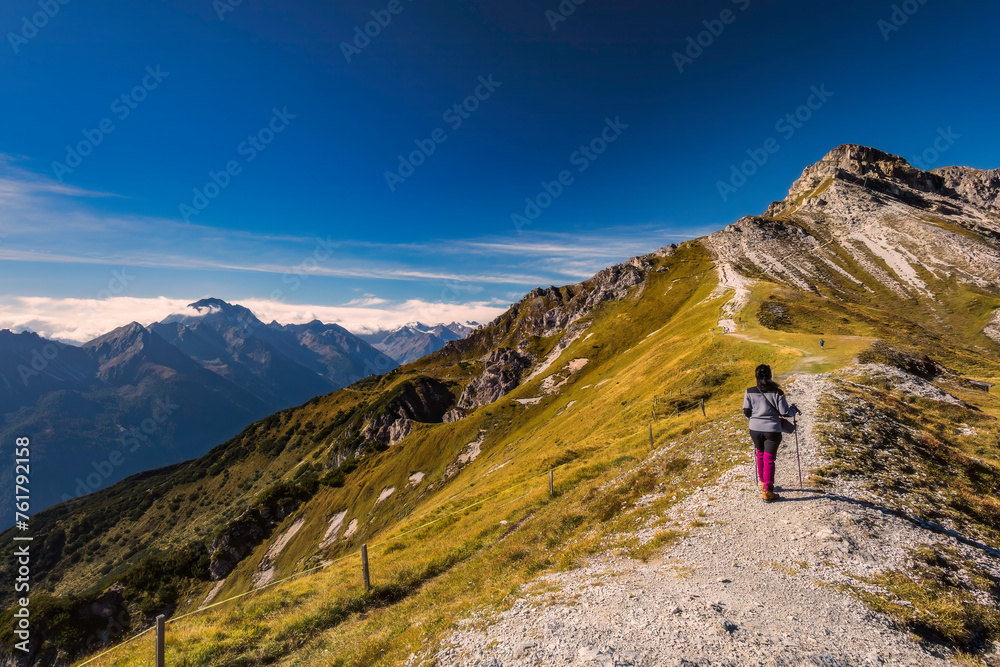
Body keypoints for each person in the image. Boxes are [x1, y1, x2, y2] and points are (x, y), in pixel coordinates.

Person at [742, 364, 798, 502]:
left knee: (760, 454)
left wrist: (755, 418)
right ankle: (767, 490)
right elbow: (785, 412)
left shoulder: (749, 391)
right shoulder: (777, 392)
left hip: (754, 429)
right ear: (770, 376)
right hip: (772, 429)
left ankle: (763, 483)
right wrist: (794, 410)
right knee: (769, 459)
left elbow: (746, 412)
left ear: (756, 376)